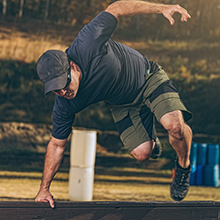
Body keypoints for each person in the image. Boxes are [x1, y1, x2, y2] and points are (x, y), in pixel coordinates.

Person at [35, 0, 192, 208]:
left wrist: (161, 8)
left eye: (64, 83)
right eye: (56, 89)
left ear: (72, 66)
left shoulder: (88, 42)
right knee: (142, 153)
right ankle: (150, 134)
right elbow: (56, 145)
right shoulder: (64, 103)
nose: (63, 92)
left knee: (175, 126)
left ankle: (184, 167)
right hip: (122, 104)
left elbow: (116, 8)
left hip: (148, 78)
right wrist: (44, 189)